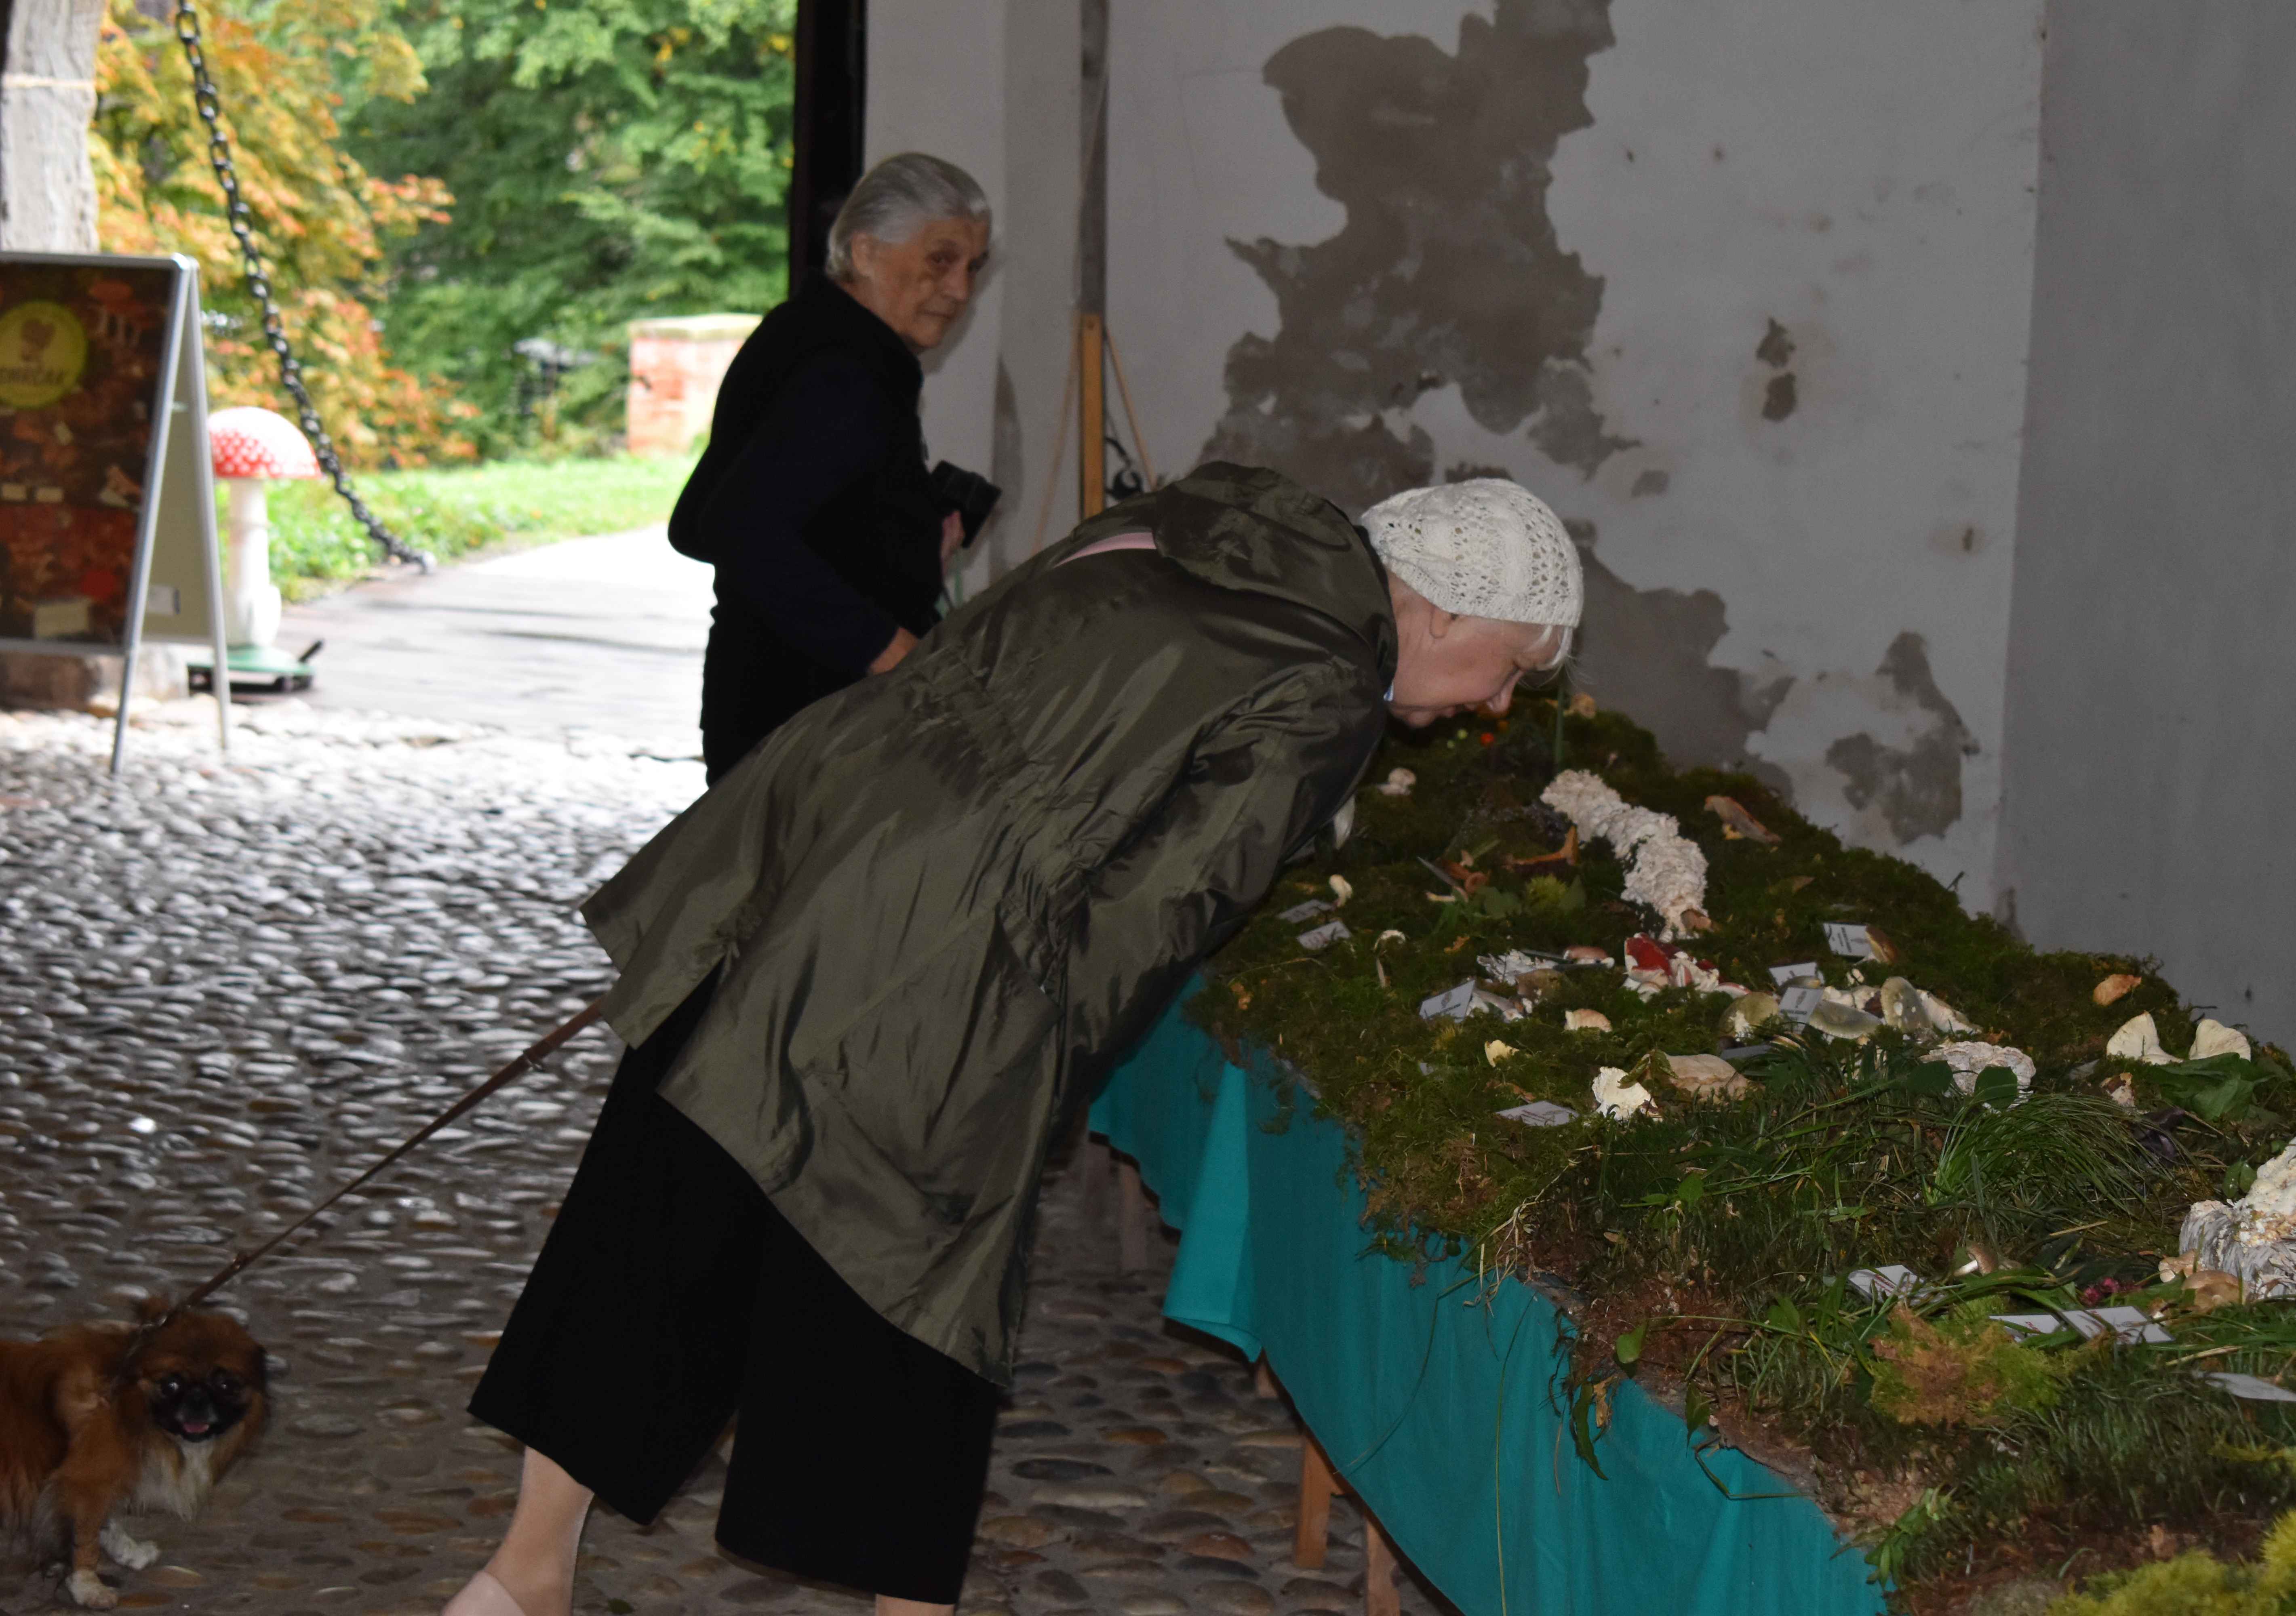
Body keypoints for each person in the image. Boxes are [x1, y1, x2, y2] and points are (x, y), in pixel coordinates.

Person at [442, 467, 1585, 1616]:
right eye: (1514, 668)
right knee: (916, 1286)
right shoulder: (1330, 683)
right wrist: (1032, 1072)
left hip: (814, 834)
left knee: (676, 1203)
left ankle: (524, 1573)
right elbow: (1159, 913)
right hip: (946, 938)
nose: (1497, 705)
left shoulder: (1202, 523)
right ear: (1442, 611)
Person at [668, 152, 992, 783]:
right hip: (808, 721)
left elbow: (708, 519)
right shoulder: (846, 370)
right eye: (940, 260)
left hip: (771, 708)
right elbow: (735, 529)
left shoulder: (807, 335)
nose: (960, 290)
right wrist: (891, 650)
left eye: (973, 267)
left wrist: (913, 542)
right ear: (866, 252)